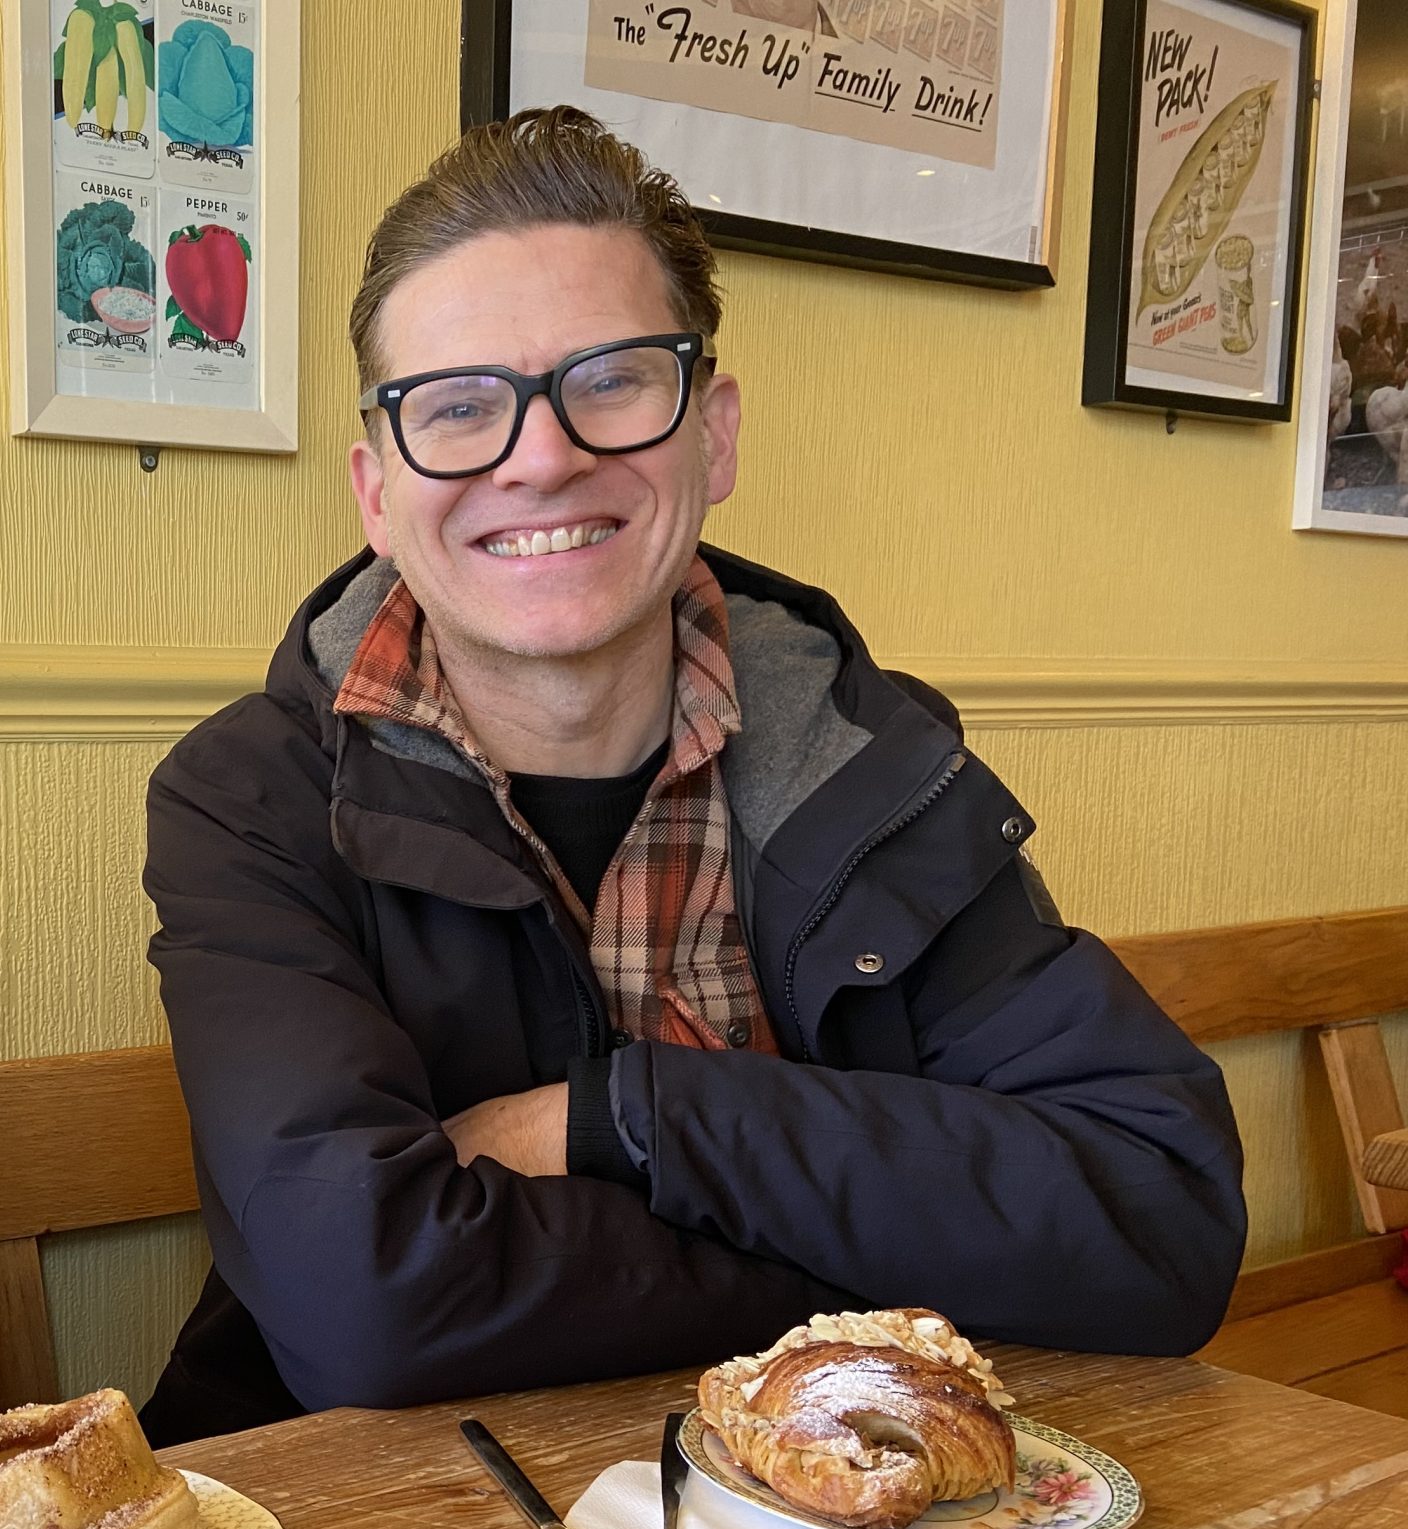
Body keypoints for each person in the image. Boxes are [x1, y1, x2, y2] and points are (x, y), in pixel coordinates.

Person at [139, 108, 1246, 1445]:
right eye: (458, 408)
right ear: (378, 493)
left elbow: (1160, 1210)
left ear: (711, 434)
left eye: (609, 379)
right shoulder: (251, 797)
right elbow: (367, 1305)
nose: (538, 456)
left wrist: (619, 1117)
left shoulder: (873, 772)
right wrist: (886, 1260)